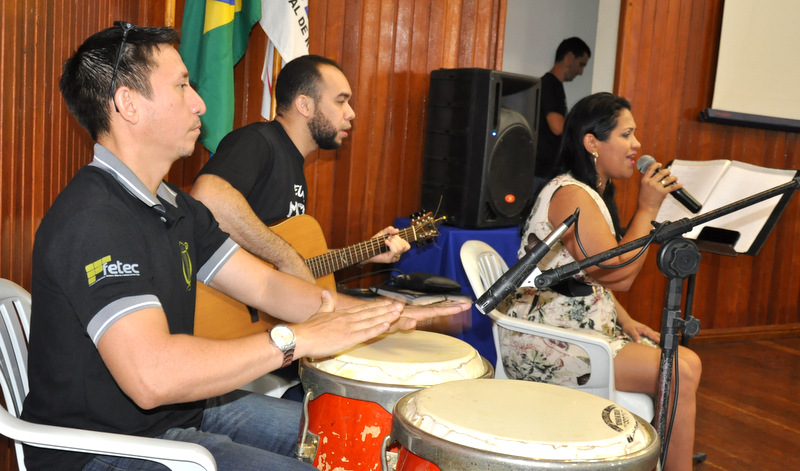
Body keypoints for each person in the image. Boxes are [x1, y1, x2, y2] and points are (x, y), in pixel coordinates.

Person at [20, 23, 470, 471]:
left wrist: (373, 314)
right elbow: (152, 377)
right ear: (128, 104)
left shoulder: (173, 204)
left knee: (356, 437)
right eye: (181, 86)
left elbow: (267, 287)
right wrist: (296, 339)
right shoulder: (93, 219)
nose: (199, 102)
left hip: (180, 415)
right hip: (103, 448)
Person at [500, 92, 701, 471]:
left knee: (683, 363)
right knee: (682, 369)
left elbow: (590, 277)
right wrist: (648, 208)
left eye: (635, 134)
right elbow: (617, 275)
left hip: (579, 327)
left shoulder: (591, 192)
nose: (637, 145)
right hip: (547, 339)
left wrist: (625, 319)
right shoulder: (571, 194)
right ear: (592, 143)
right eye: (626, 135)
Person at [190, 54, 409, 285]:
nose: (350, 113)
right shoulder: (258, 140)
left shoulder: (293, 163)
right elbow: (208, 197)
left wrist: (365, 254)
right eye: (340, 101)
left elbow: (293, 265)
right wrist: (286, 258)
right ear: (304, 105)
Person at [535, 37, 591, 180]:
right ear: (569, 57)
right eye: (581, 64)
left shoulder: (554, 85)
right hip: (542, 171)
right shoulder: (549, 84)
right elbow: (557, 127)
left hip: (546, 170)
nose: (581, 72)